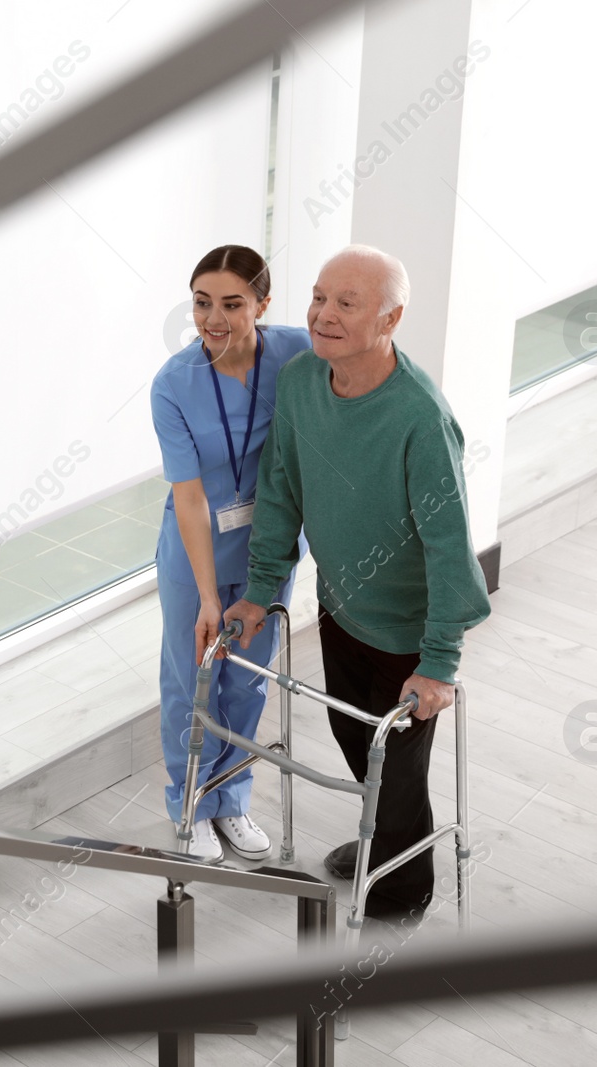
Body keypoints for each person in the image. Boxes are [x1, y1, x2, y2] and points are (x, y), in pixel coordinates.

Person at [223, 244, 491, 920]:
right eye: (318, 297)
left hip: (409, 631)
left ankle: (402, 886)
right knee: (355, 745)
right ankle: (387, 838)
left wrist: (440, 663)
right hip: (341, 608)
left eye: (347, 303)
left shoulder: (420, 418)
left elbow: (450, 545)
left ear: (390, 317)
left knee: (396, 774)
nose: (323, 314)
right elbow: (280, 488)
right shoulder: (300, 383)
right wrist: (260, 588)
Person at [150, 244, 309, 864]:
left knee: (249, 677)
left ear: (263, 305)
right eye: (201, 302)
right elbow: (189, 498)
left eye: (232, 304)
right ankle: (189, 800)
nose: (213, 319)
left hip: (270, 548)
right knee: (191, 679)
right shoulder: (174, 385)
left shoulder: (293, 351)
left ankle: (231, 797)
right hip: (197, 552)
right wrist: (211, 596)